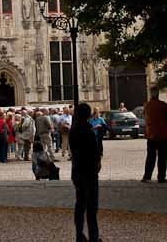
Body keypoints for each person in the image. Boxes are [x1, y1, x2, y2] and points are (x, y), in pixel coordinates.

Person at [70, 102, 102, 242]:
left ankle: (79, 235)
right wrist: (97, 163)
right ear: (88, 115)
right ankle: (93, 237)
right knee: (91, 207)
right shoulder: (88, 131)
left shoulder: (73, 130)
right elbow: (94, 153)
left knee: (80, 204)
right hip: (89, 172)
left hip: (77, 171)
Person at [142, 86, 167, 183]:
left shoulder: (147, 105)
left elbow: (144, 115)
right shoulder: (162, 104)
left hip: (151, 134)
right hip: (163, 134)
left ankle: (147, 176)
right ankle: (161, 177)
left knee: (150, 156)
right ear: (158, 94)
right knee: (162, 157)